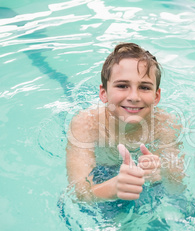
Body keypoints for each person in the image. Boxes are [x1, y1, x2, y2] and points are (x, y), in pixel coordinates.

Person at [66, 42, 183, 204]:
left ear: (156, 97)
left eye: (144, 87)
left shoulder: (166, 125)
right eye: (122, 86)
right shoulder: (86, 124)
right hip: (103, 171)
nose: (134, 97)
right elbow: (79, 194)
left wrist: (161, 172)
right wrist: (111, 189)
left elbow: (178, 186)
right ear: (103, 93)